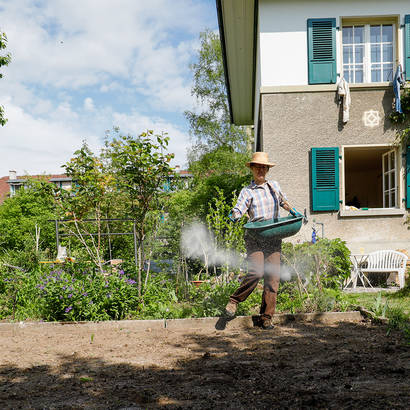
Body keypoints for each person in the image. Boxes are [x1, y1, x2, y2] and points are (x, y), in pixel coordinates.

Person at [225, 152, 299, 330]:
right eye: (257, 167)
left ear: (267, 169)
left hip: (273, 236)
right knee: (257, 272)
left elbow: (283, 202)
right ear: (251, 168)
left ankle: (266, 317)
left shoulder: (274, 186)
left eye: (264, 167)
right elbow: (240, 209)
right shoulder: (247, 191)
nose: (261, 170)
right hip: (256, 237)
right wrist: (235, 215)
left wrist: (293, 211)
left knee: (273, 278)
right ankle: (234, 301)